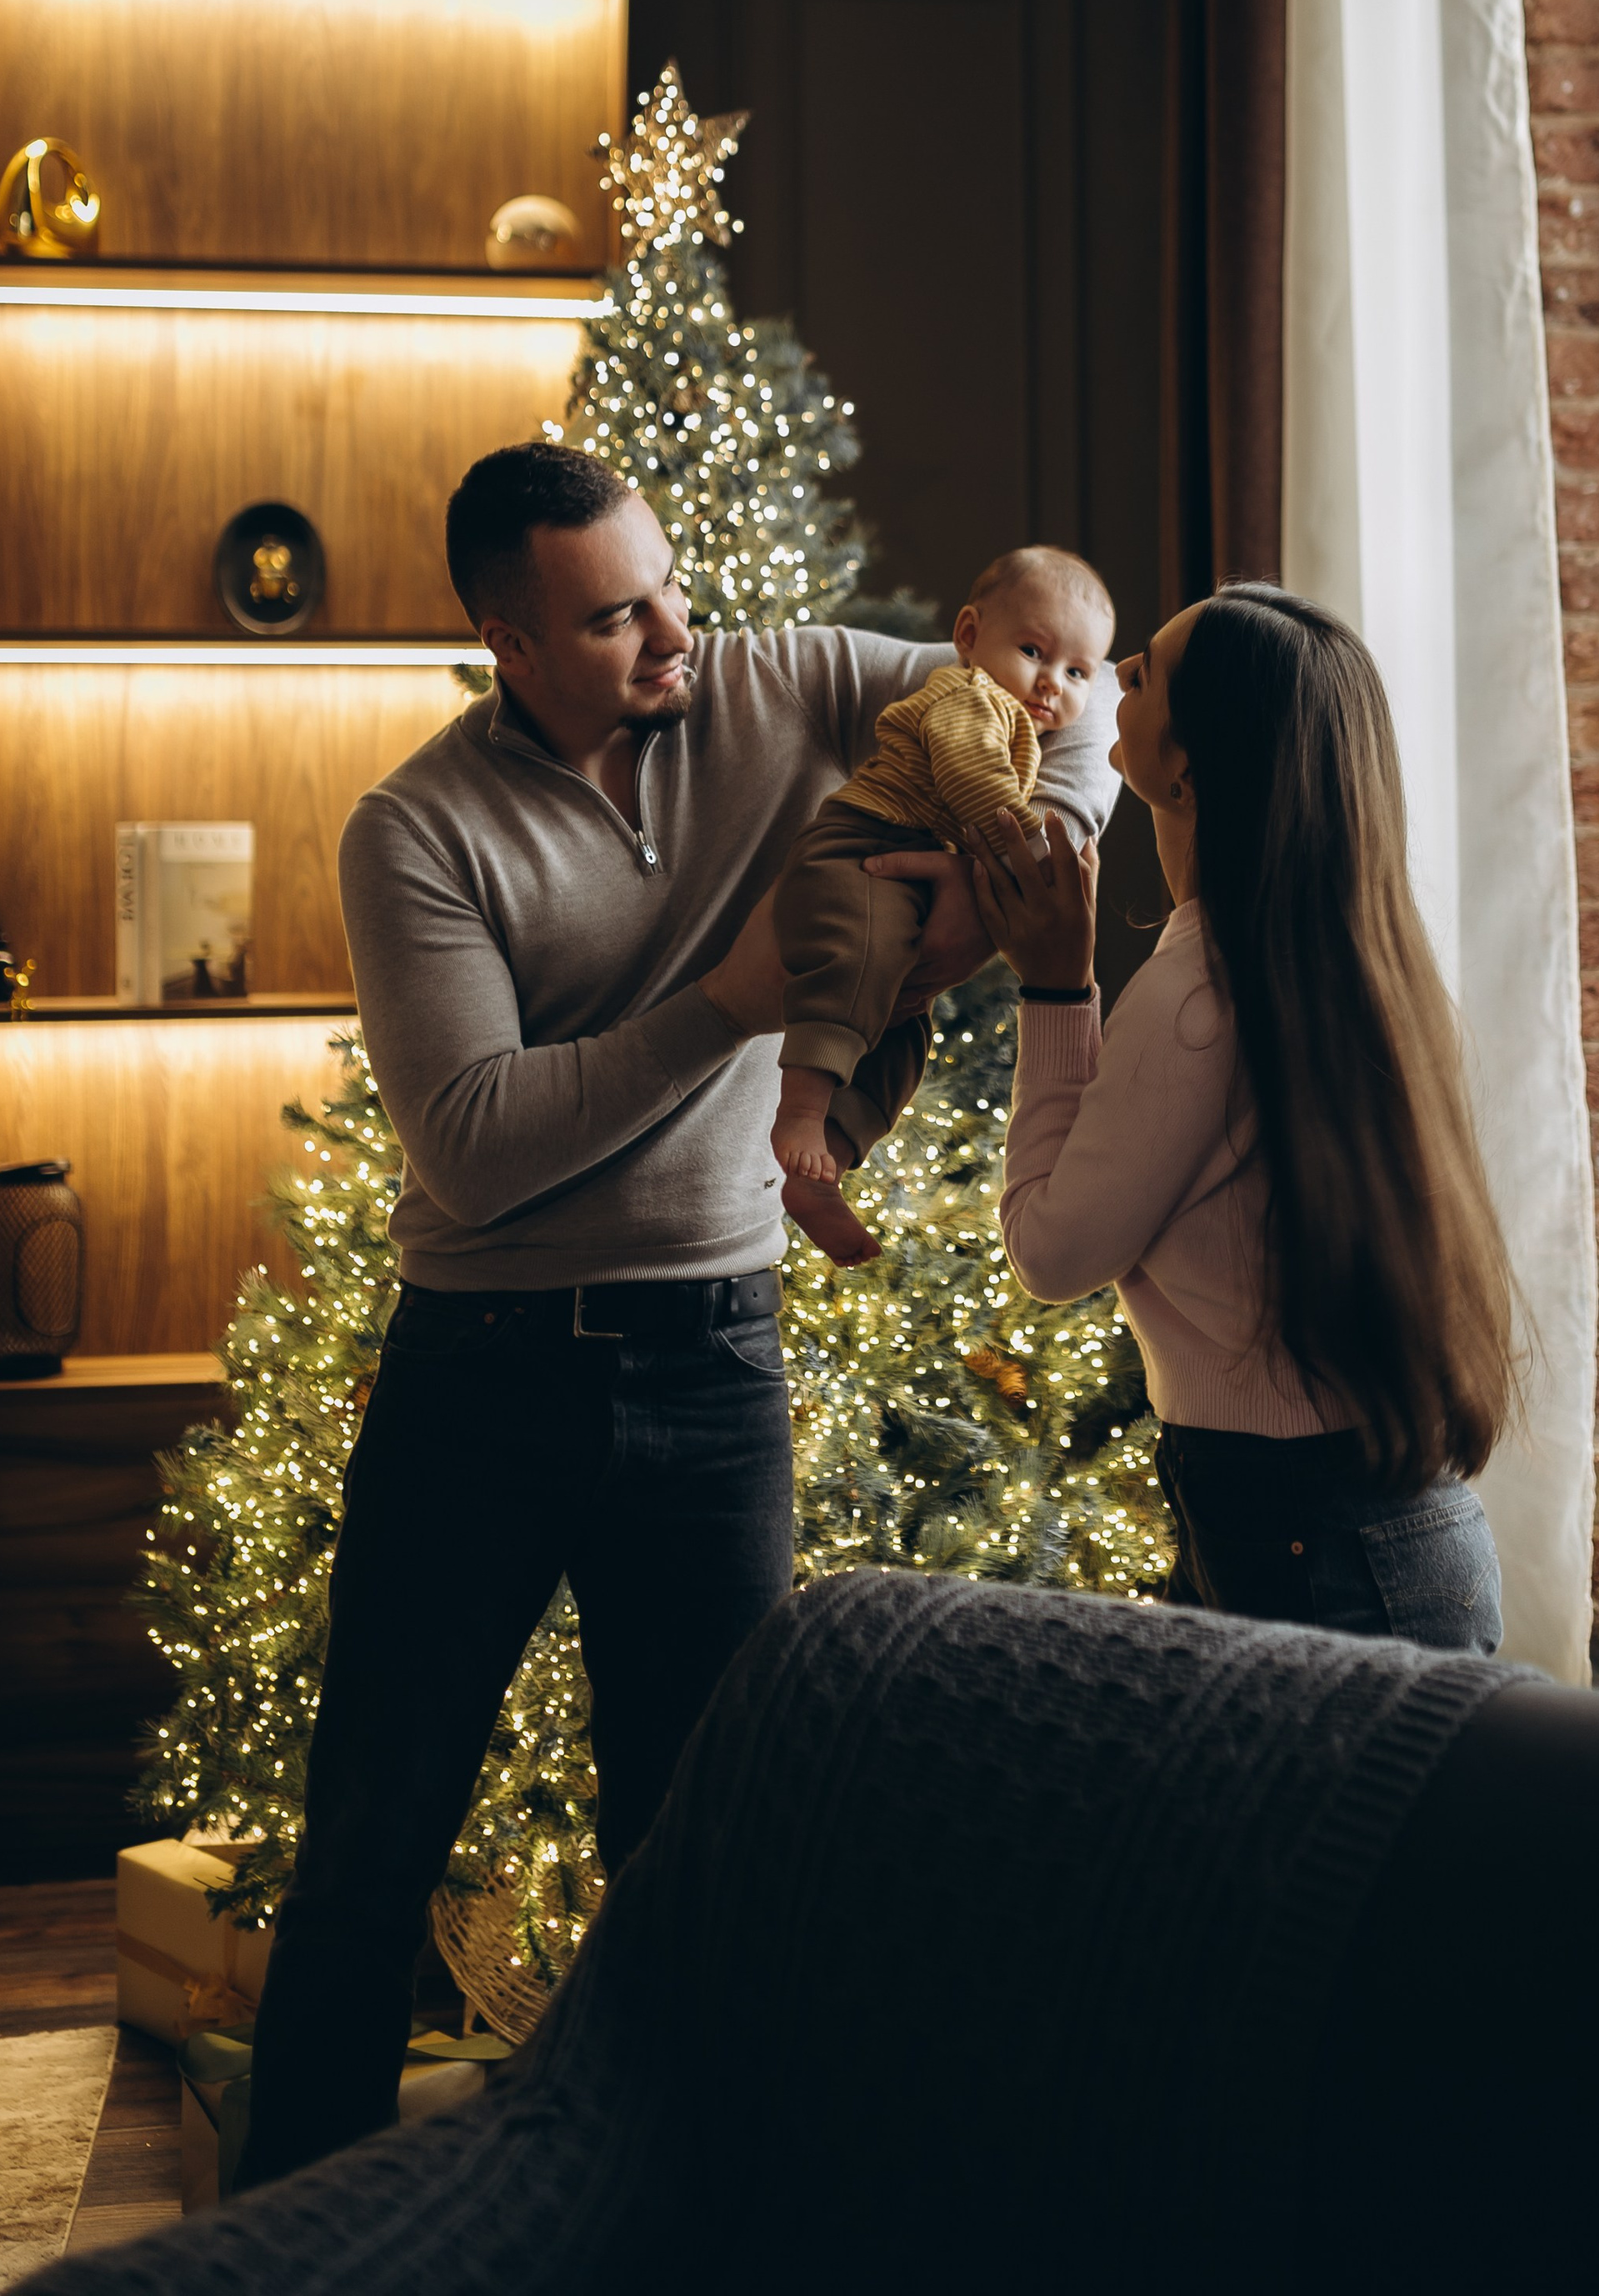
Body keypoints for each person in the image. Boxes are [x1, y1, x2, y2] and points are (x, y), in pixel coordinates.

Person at [235, 443, 1117, 2188]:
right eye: (615, 618)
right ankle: (281, 2250)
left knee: (701, 1849)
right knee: (370, 1851)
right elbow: (474, 1146)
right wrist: (729, 1000)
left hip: (716, 1360)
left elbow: (1055, 689)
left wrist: (1028, 863)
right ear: (507, 642)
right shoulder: (417, 831)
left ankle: (671, 2227)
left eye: (669, 586)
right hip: (479, 1380)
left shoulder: (789, 681)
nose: (673, 633)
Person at [974, 580, 1512, 1649]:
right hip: (1359, 1529)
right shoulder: (1348, 956)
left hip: (1311, 1544)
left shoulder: (1200, 997)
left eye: (1146, 672)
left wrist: (1055, 990)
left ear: (1188, 765)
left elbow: (1048, 1251)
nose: (1116, 673)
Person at [769, 546, 1114, 1208]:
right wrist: (1027, 848)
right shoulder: (968, 694)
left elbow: (1107, 700)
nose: (1052, 683)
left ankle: (827, 1164)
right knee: (858, 960)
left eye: (1077, 672)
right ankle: (801, 1112)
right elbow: (968, 773)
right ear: (969, 635)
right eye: (1034, 652)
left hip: (909, 864)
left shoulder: (1025, 721)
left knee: (904, 1026)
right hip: (861, 842)